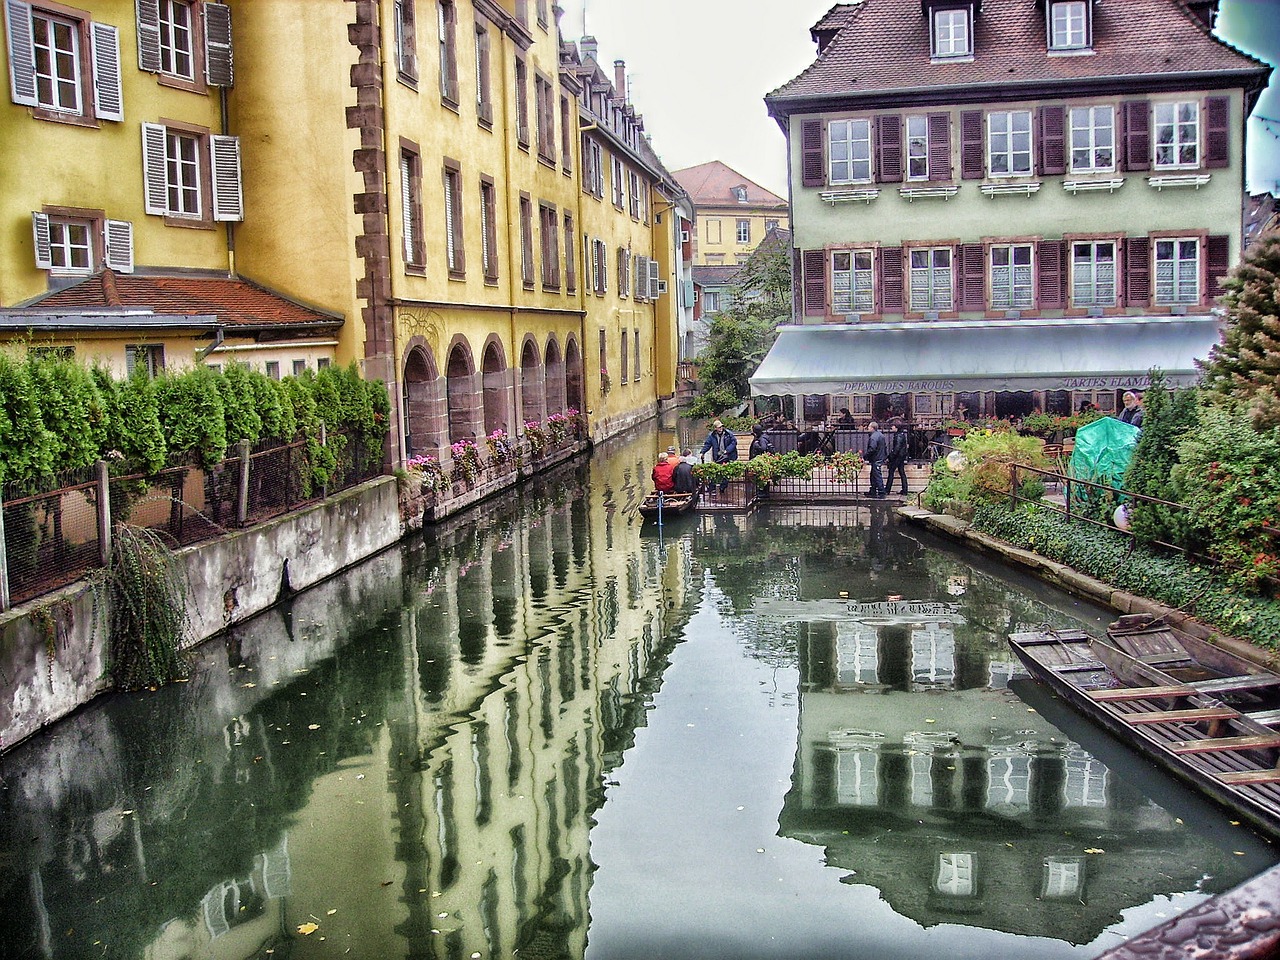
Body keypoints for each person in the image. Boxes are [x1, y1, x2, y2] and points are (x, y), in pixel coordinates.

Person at [700, 419, 739, 494]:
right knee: (714, 471)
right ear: (715, 428)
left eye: (721, 427)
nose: (720, 428)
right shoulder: (712, 436)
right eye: (719, 427)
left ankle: (722, 488)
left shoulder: (728, 434)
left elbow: (734, 443)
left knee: (725, 473)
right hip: (718, 456)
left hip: (728, 455)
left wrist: (727, 450)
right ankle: (712, 489)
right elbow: (707, 444)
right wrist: (703, 452)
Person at [886, 420, 910, 496]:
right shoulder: (901, 434)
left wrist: (890, 456)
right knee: (901, 472)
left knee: (891, 471)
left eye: (892, 426)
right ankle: (905, 490)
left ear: (896, 427)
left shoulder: (898, 436)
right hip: (901, 456)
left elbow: (897, 448)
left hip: (898, 457)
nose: (891, 427)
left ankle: (887, 490)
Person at [865, 420, 887, 497]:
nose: (867, 428)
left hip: (876, 458)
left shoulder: (873, 437)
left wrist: (866, 456)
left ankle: (881, 492)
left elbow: (872, 448)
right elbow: (884, 446)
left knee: (877, 475)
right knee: (873, 475)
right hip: (880, 457)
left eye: (868, 427)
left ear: (872, 428)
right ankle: (873, 490)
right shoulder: (881, 435)